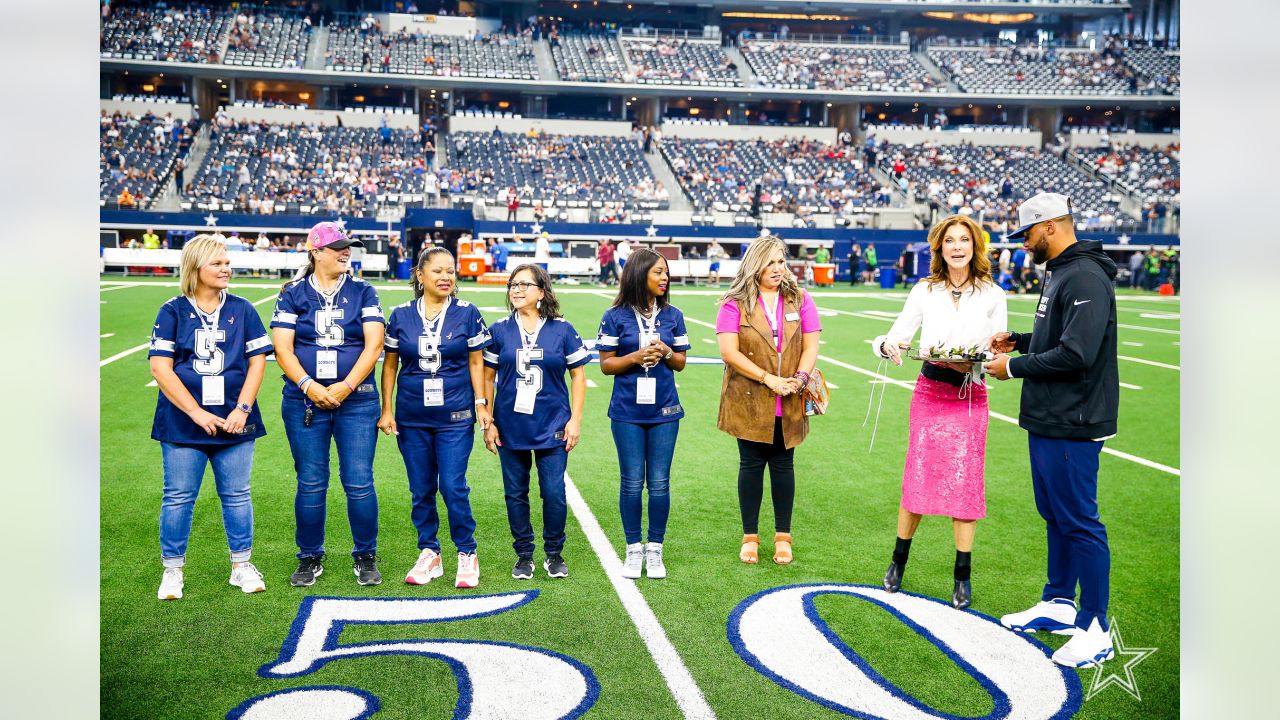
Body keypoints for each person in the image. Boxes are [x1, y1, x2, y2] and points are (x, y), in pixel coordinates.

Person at [984, 192, 1120, 669]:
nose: (1023, 245)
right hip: (1051, 415)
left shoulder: (1083, 273)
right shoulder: (1061, 269)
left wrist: (1014, 366)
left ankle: (1096, 627)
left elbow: (1078, 353)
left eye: (1027, 235)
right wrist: (1020, 340)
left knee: (1080, 520)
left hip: (1074, 419)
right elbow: (1060, 337)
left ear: (1050, 227)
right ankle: (1059, 603)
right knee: (1056, 514)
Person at [872, 215, 1007, 610]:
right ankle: (899, 559)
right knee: (917, 476)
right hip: (930, 392)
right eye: (950, 240)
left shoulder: (993, 293)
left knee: (965, 484)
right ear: (940, 247)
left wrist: (983, 359)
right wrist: (887, 347)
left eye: (965, 239)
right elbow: (894, 335)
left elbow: (998, 349)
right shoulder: (924, 290)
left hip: (970, 395)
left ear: (975, 246)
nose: (958, 247)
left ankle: (962, 575)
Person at [148, 234, 272, 600]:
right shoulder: (172, 310)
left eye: (227, 263)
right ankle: (172, 570)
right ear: (196, 267)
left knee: (237, 494)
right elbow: (161, 369)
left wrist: (242, 409)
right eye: (217, 263)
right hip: (184, 421)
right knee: (179, 496)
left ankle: (241, 564)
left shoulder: (243, 308)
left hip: (235, 418)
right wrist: (196, 412)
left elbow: (256, 363)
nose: (226, 269)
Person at [271, 222, 386, 588]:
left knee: (359, 481)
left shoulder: (364, 291)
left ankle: (365, 555)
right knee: (310, 482)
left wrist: (346, 386)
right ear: (315, 252)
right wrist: (308, 385)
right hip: (304, 399)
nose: (345, 251)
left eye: (348, 246)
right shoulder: (292, 294)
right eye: (337, 247)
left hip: (357, 399)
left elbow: (374, 345)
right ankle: (309, 556)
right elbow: (283, 348)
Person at [379, 247, 492, 589]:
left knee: (453, 486)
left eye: (451, 271)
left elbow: (477, 363)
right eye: (438, 271)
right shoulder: (400, 315)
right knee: (421, 489)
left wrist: (482, 403)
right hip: (412, 416)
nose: (446, 277)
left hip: (455, 415)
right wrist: (387, 409)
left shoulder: (467, 313)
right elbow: (390, 366)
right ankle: (430, 551)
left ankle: (466, 551)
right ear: (420, 275)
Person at [715, 235, 822, 565]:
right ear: (755, 264)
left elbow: (811, 346)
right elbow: (728, 352)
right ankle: (750, 536)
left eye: (781, 261)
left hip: (789, 396)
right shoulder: (734, 304)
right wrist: (768, 378)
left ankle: (782, 536)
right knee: (750, 466)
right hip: (748, 397)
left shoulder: (800, 299)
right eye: (771, 262)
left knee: (783, 465)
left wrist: (800, 378)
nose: (778, 268)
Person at [482, 264, 590, 580]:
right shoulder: (500, 330)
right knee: (515, 493)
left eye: (524, 284)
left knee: (553, 491)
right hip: (510, 425)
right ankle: (524, 555)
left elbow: (579, 376)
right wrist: (487, 420)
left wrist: (575, 420)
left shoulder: (562, 329)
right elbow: (487, 377)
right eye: (513, 284)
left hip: (553, 423)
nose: (516, 289)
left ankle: (554, 553)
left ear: (541, 292)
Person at [596, 249, 690, 580]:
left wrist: (665, 352)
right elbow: (607, 365)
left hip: (665, 409)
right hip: (627, 411)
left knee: (660, 482)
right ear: (639, 275)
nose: (665, 278)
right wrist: (636, 357)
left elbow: (681, 362)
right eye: (658, 273)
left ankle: (655, 549)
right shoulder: (615, 316)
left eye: (666, 273)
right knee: (633, 482)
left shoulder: (673, 314)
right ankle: (634, 549)